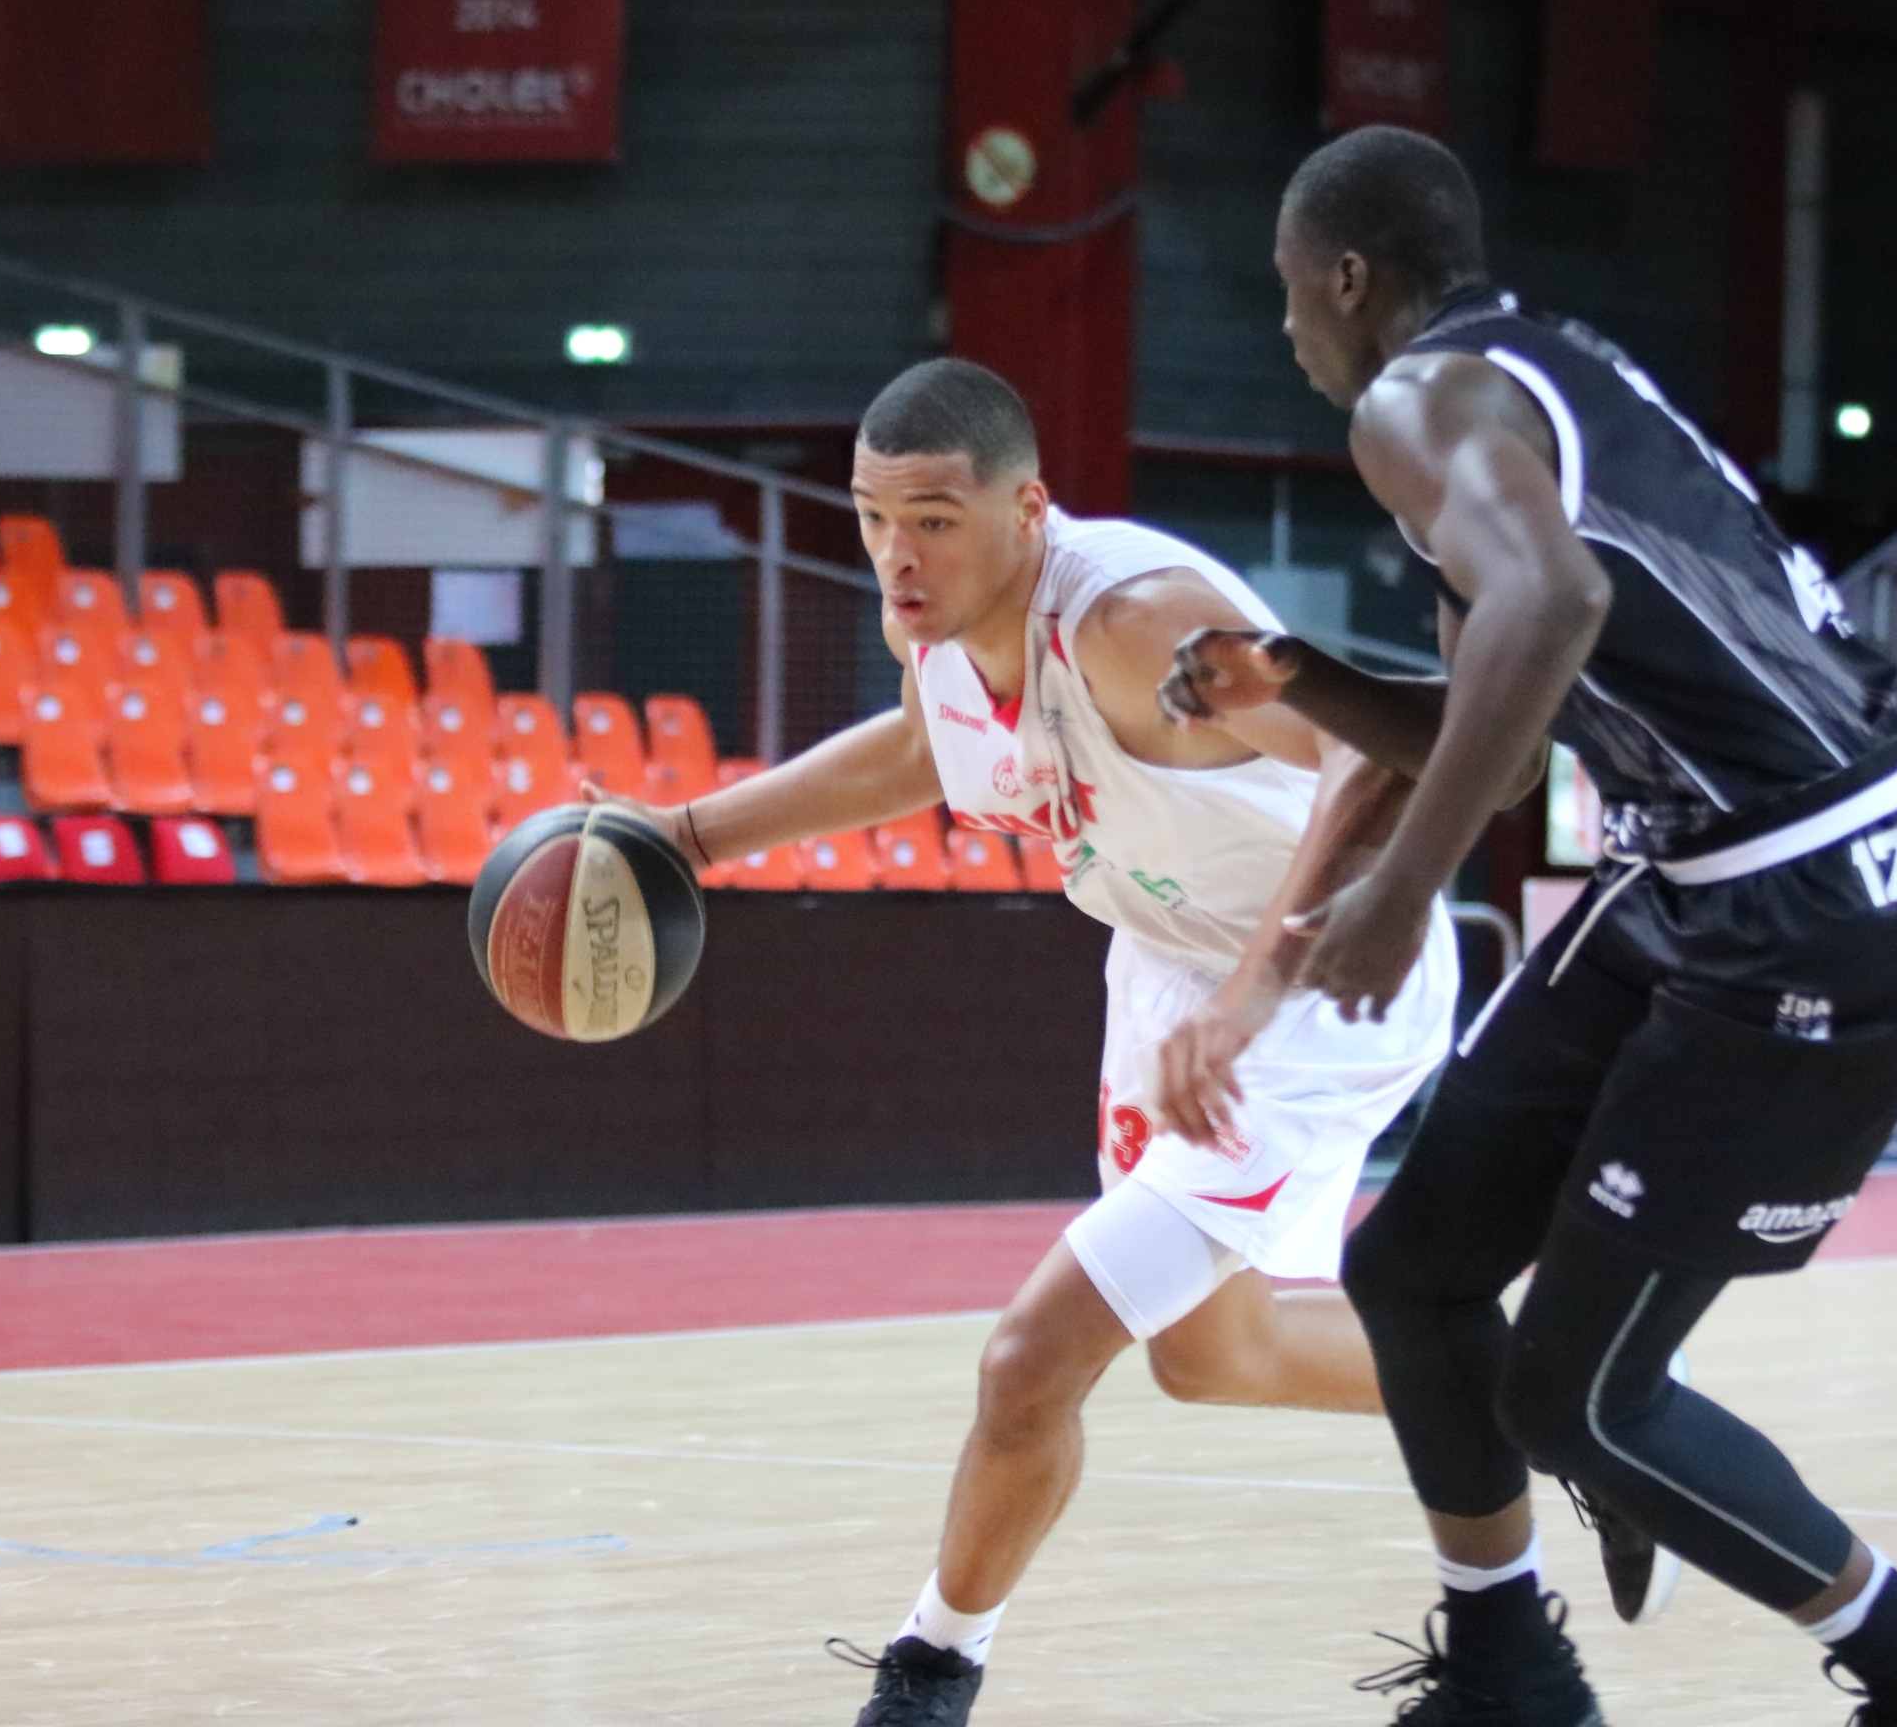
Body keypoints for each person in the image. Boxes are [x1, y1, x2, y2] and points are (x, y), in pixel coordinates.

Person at [1157, 126, 1897, 1727]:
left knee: (1577, 1397)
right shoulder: (1527, 375)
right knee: (1416, 1267)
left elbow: (1555, 608)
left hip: (1823, 905)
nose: (1287, 328)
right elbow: (1504, 739)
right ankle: (1510, 1667)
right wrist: (1295, 675)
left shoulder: (1413, 400)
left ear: (1351, 279)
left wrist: (1395, 891)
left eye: (1290, 292)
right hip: (1696, 881)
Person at [591, 356, 1460, 1727]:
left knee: (1030, 1356)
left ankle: (933, 1667)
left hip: (1317, 978)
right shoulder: (935, 627)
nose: (895, 553)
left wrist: (1247, 998)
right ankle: (1543, 1401)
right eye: (874, 516)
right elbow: (923, 751)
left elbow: (1379, 755)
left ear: (1027, 511)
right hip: (1175, 974)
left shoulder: (1131, 623)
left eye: (933, 518)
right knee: (1213, 1357)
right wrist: (692, 838)